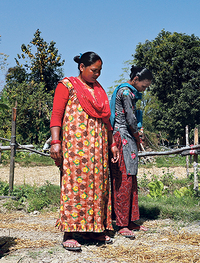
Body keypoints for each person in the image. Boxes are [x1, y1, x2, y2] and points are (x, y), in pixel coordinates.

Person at [50, 52, 119, 251]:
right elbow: (56, 115)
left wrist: (112, 144)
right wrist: (56, 142)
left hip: (98, 148)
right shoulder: (67, 86)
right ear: (82, 67)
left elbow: (106, 120)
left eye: (99, 71)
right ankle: (70, 233)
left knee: (97, 187)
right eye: (93, 70)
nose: (97, 74)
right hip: (75, 148)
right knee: (75, 187)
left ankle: (93, 230)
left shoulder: (99, 90)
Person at [109, 66, 152, 238]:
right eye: (144, 85)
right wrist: (137, 134)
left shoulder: (131, 93)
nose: (144, 89)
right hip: (122, 137)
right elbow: (131, 119)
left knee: (131, 179)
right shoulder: (126, 92)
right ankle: (121, 223)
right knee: (123, 178)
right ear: (135, 79)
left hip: (129, 138)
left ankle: (130, 220)